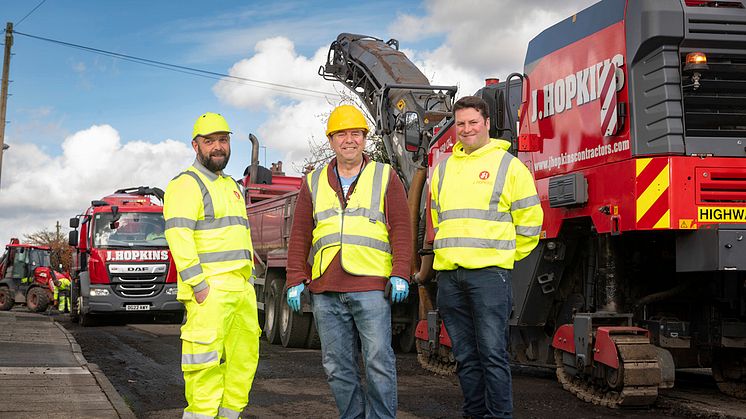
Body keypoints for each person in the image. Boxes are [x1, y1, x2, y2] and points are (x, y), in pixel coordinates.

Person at [285, 104, 412, 419]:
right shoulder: (313, 181)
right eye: (341, 134)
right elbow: (300, 233)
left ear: (365, 138)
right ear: (331, 140)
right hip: (325, 290)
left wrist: (401, 273)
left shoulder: (385, 175)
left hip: (371, 286)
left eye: (355, 133)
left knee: (379, 362)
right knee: (336, 366)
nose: (349, 140)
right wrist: (294, 279)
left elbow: (402, 228)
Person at [429, 96, 543, 419]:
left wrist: (503, 257)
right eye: (461, 124)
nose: (466, 129)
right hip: (451, 278)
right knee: (465, 356)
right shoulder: (444, 169)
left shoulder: (510, 167)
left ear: (487, 124)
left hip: (490, 276)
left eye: (473, 122)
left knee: (493, 355)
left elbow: (531, 224)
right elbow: (440, 219)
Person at [164, 112, 261, 419]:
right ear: (196, 146)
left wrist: (248, 285)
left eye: (223, 140)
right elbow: (178, 237)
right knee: (203, 366)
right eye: (210, 142)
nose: (218, 147)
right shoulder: (185, 184)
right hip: (210, 291)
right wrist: (200, 286)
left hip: (240, 290)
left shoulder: (231, 186)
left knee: (243, 363)